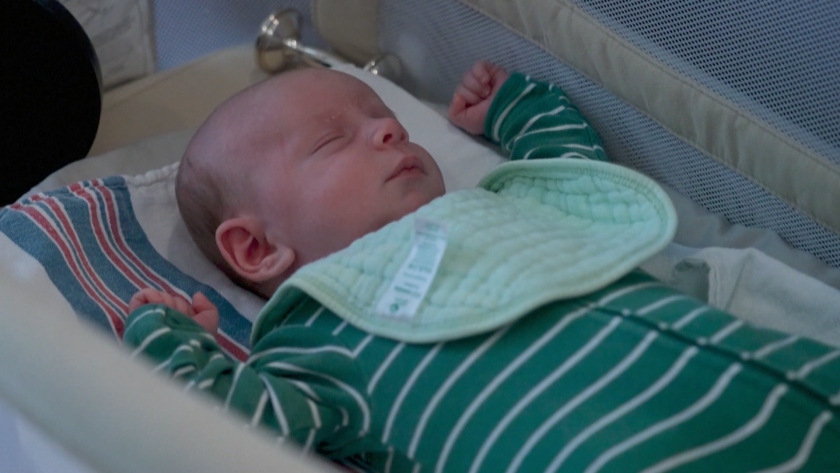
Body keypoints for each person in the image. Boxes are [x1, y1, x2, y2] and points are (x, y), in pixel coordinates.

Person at [125, 61, 839, 472]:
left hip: (761, 375)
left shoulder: (500, 206)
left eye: (385, 119)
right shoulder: (313, 338)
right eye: (333, 140)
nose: (389, 128)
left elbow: (572, 175)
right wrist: (171, 340)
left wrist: (514, 109)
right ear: (258, 249)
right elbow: (234, 428)